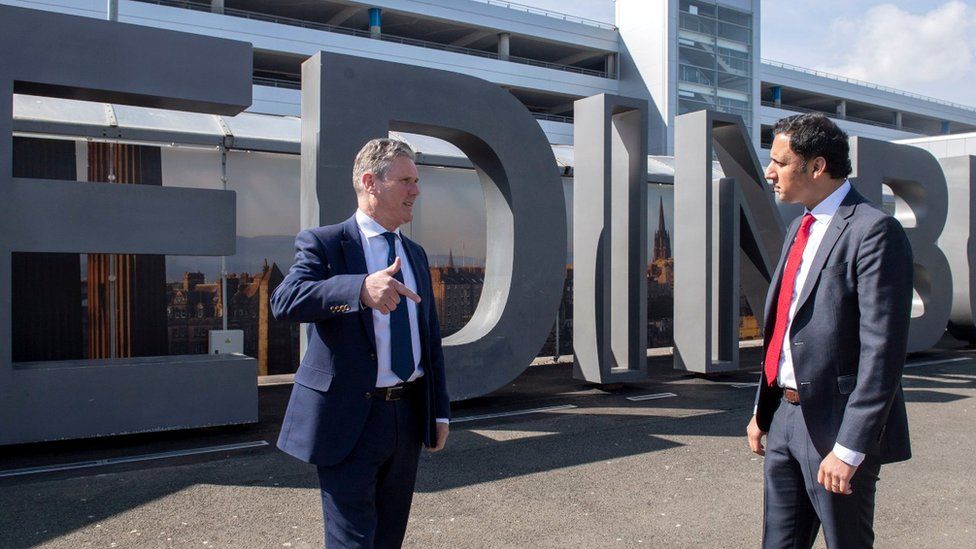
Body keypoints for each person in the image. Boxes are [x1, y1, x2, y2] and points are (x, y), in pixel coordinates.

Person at [271, 138, 451, 548]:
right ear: (370, 182)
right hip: (349, 418)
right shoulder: (326, 243)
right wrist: (358, 290)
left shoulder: (416, 255)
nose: (416, 191)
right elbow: (285, 300)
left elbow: (430, 342)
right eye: (406, 181)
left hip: (406, 417)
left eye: (416, 181)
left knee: (389, 537)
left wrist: (439, 412)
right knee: (352, 541)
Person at [746, 113, 913, 548]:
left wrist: (850, 448)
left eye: (779, 162)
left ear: (816, 166)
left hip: (836, 429)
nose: (769, 172)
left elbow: (883, 351)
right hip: (783, 417)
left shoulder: (873, 231)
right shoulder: (798, 228)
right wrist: (763, 411)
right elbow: (784, 328)